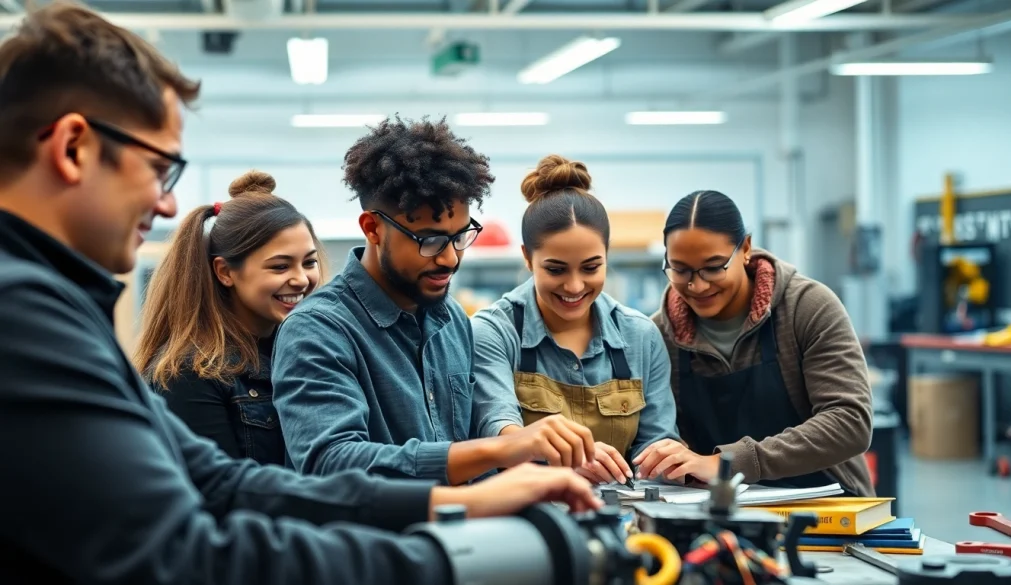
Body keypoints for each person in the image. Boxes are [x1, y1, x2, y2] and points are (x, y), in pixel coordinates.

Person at [0, 5, 602, 584]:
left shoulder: (54, 306)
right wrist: (453, 560)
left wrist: (452, 504)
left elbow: (225, 483)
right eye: (161, 170)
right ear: (73, 147)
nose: (166, 205)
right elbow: (185, 556)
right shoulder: (22, 316)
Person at [272, 117, 599, 485]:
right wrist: (498, 449)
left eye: (460, 236)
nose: (450, 259)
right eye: (429, 240)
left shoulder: (452, 322)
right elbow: (331, 462)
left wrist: (544, 458)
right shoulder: (316, 330)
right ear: (373, 228)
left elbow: (468, 453)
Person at [636, 190, 874, 497]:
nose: (697, 285)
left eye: (713, 266)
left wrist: (728, 463)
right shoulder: (659, 337)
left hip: (829, 509)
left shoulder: (807, 308)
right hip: (718, 513)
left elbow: (849, 422)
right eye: (680, 270)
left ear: (745, 248)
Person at [470, 155, 680, 486]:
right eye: (555, 269)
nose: (575, 286)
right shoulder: (494, 332)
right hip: (526, 512)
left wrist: (664, 461)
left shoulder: (641, 336)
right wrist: (565, 462)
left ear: (607, 256)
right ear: (527, 258)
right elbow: (500, 429)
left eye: (591, 267)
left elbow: (656, 445)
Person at [133, 170, 323, 465]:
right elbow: (219, 493)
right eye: (280, 267)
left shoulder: (308, 352)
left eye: (308, 262)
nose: (301, 279)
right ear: (225, 272)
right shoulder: (191, 372)